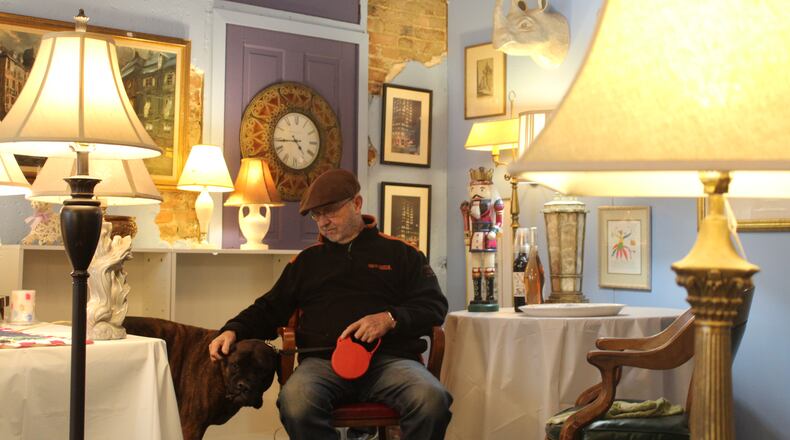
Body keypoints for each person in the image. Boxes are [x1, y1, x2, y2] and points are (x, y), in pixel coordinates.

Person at [208, 168, 453, 440]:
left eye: (330, 212)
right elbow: (269, 308)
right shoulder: (306, 262)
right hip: (323, 365)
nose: (323, 222)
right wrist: (233, 329)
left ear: (356, 204)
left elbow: (434, 306)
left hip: (391, 362)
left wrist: (389, 318)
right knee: (296, 403)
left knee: (432, 400)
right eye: (317, 215)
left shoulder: (403, 253)